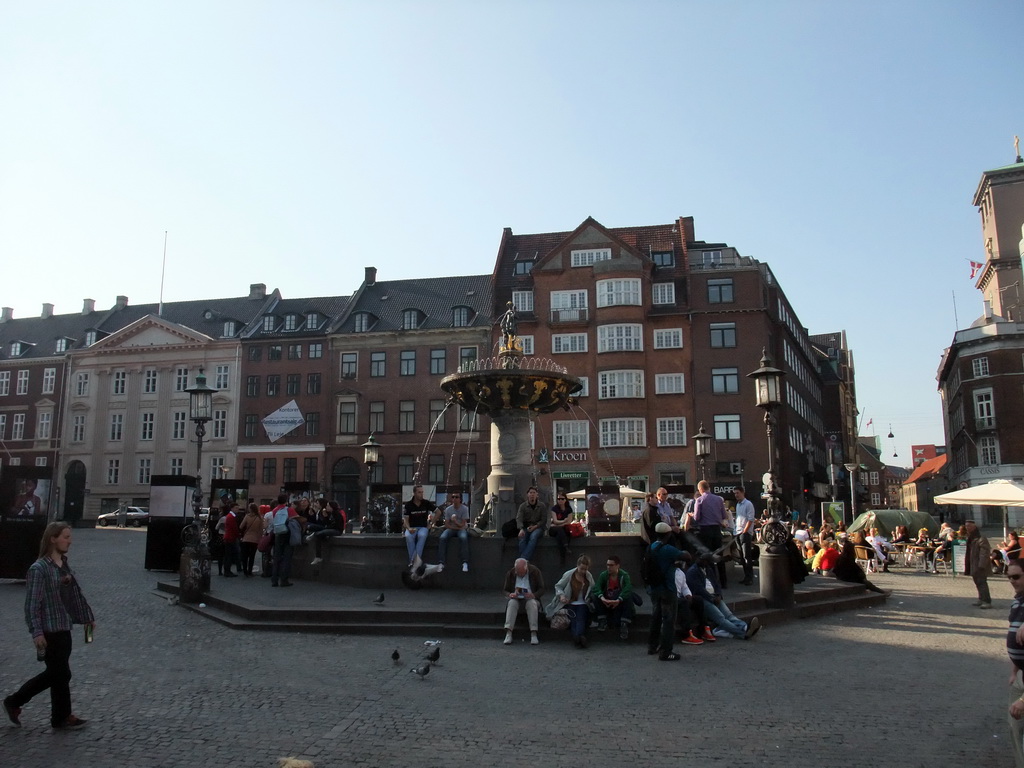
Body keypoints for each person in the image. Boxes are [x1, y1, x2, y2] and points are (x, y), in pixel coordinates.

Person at [3, 523, 94, 730]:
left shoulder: (64, 565)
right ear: (53, 538)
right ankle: (15, 701)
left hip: (64, 627)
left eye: (70, 537)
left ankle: (60, 717)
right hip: (48, 631)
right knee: (59, 673)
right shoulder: (39, 569)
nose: (69, 540)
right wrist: (36, 632)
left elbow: (74, 597)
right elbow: (32, 605)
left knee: (60, 673)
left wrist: (87, 618)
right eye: (66, 537)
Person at [685, 553, 761, 640]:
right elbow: (698, 590)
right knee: (721, 618)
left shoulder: (708, 569)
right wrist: (712, 598)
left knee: (729, 615)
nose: (710, 564)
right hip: (704, 600)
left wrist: (719, 595)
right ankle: (743, 633)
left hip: (715, 596)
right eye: (709, 562)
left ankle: (745, 627)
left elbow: (716, 584)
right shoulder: (692, 572)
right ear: (704, 561)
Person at [647, 521, 688, 661]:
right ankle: (666, 652)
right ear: (668, 534)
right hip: (667, 589)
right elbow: (686, 556)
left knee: (656, 617)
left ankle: (652, 646)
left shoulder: (651, 547)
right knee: (669, 621)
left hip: (654, 588)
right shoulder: (668, 549)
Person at [547, 555, 595, 648]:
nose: (583, 571)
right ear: (577, 565)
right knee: (574, 619)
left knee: (580, 618)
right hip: (569, 602)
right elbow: (558, 586)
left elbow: (593, 588)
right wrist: (561, 596)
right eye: (582, 569)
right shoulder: (569, 574)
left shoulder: (589, 576)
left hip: (583, 603)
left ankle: (577, 637)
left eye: (586, 569)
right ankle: (580, 637)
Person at [1004, 558, 1024, 768]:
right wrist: (1014, 669)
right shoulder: (1017, 600)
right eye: (1009, 577)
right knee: (1015, 729)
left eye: (1016, 577)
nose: (1012, 581)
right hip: (1019, 675)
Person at [692, 480, 729, 588]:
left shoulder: (699, 500)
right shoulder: (719, 499)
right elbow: (723, 515)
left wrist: (692, 515)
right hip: (717, 530)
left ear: (700, 489)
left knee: (708, 558)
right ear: (709, 487)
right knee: (719, 556)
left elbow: (697, 517)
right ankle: (724, 582)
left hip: (705, 530)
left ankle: (712, 582)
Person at [502, 558, 545, 646]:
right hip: (516, 598)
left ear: (527, 568)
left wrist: (533, 595)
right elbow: (504, 590)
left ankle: (533, 633)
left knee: (531, 603)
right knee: (512, 603)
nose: (520, 574)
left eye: (522, 572)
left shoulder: (535, 571)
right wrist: (511, 594)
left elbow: (542, 588)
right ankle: (508, 632)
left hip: (531, 598)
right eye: (518, 573)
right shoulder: (510, 573)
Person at [591, 555, 634, 639]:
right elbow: (597, 588)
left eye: (611, 565)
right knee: (594, 596)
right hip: (607, 601)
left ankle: (624, 624)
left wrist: (618, 600)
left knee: (629, 596)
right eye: (607, 565)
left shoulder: (624, 575)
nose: (608, 567)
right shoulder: (604, 575)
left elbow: (628, 588)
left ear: (618, 566)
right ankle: (602, 620)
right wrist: (602, 598)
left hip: (619, 602)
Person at [672, 555, 707, 646]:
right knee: (683, 603)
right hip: (670, 597)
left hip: (680, 596)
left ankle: (703, 629)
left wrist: (688, 595)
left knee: (698, 599)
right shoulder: (666, 572)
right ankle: (687, 634)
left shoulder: (681, 573)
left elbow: (684, 587)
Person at [437, 492, 471, 572]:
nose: (454, 499)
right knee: (442, 538)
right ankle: (441, 562)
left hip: (461, 529)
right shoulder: (448, 509)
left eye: (456, 497)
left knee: (463, 538)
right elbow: (447, 524)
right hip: (452, 529)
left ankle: (465, 562)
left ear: (460, 499)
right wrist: (455, 527)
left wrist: (455, 522)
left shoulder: (464, 509)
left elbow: (463, 524)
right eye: (453, 497)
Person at [403, 485, 436, 567]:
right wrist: (409, 528)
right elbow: (405, 520)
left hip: (423, 527)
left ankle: (413, 561)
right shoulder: (408, 505)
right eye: (419, 492)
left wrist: (431, 524)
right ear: (414, 493)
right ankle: (416, 562)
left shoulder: (426, 503)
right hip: (412, 527)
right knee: (408, 536)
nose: (421, 494)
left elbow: (438, 512)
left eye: (422, 492)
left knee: (422, 535)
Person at [308, 501, 346, 566]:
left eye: (328, 506)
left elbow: (336, 525)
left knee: (319, 534)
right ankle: (318, 556)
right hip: (331, 529)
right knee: (319, 534)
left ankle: (318, 556)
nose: (326, 507)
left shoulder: (337, 514)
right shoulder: (330, 514)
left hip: (337, 530)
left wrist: (327, 527)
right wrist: (325, 517)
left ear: (332, 507)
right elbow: (327, 523)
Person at [270, 495, 297, 588]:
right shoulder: (289, 510)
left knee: (276, 557)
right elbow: (297, 520)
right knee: (286, 558)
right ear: (286, 500)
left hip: (278, 534)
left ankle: (274, 580)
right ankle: (284, 580)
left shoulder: (274, 510)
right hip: (287, 535)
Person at [966, 519, 992, 609]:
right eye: (966, 526)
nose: (967, 528)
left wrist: (982, 565)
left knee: (982, 582)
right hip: (973, 563)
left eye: (969, 526)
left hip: (979, 564)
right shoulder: (971, 537)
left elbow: (984, 552)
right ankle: (981, 598)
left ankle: (987, 601)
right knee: (977, 582)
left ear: (974, 527)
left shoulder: (981, 538)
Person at [733, 486, 756, 586]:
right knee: (741, 557)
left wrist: (745, 531)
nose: (736, 495)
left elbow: (750, 519)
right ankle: (745, 576)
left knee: (747, 556)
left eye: (737, 493)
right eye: (735, 493)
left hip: (744, 533)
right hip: (737, 532)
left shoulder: (748, 504)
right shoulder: (738, 505)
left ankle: (749, 577)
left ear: (743, 493)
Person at [516, 486, 546, 561]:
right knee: (522, 538)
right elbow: (519, 518)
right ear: (527, 495)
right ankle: (524, 560)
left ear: (537, 495)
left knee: (533, 536)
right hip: (526, 527)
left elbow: (544, 520)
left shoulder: (542, 506)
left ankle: (523, 559)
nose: (532, 494)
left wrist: (535, 526)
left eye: (534, 493)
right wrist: (521, 529)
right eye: (530, 493)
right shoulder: (522, 506)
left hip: (538, 527)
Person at [238, 502, 263, 577]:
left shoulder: (247, 516)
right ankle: (250, 571)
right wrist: (259, 538)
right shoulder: (259, 518)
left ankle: (245, 571)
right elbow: (261, 530)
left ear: (250, 509)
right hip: (255, 539)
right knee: (252, 556)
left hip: (246, 538)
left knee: (245, 556)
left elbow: (241, 526)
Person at [549, 492, 574, 563]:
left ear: (565, 500)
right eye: (558, 499)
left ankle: (562, 556)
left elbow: (569, 521)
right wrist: (563, 521)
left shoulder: (568, 509)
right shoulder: (554, 508)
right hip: (553, 530)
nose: (560, 500)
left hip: (561, 529)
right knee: (560, 531)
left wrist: (559, 524)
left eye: (562, 499)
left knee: (560, 536)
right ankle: (566, 546)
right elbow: (555, 520)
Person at [222, 501, 242, 577]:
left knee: (229, 555)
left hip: (229, 537)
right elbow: (234, 528)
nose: (238, 509)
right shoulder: (231, 517)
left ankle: (227, 570)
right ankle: (227, 571)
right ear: (232, 508)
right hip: (230, 538)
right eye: (236, 508)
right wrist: (238, 535)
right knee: (229, 555)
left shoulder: (230, 516)